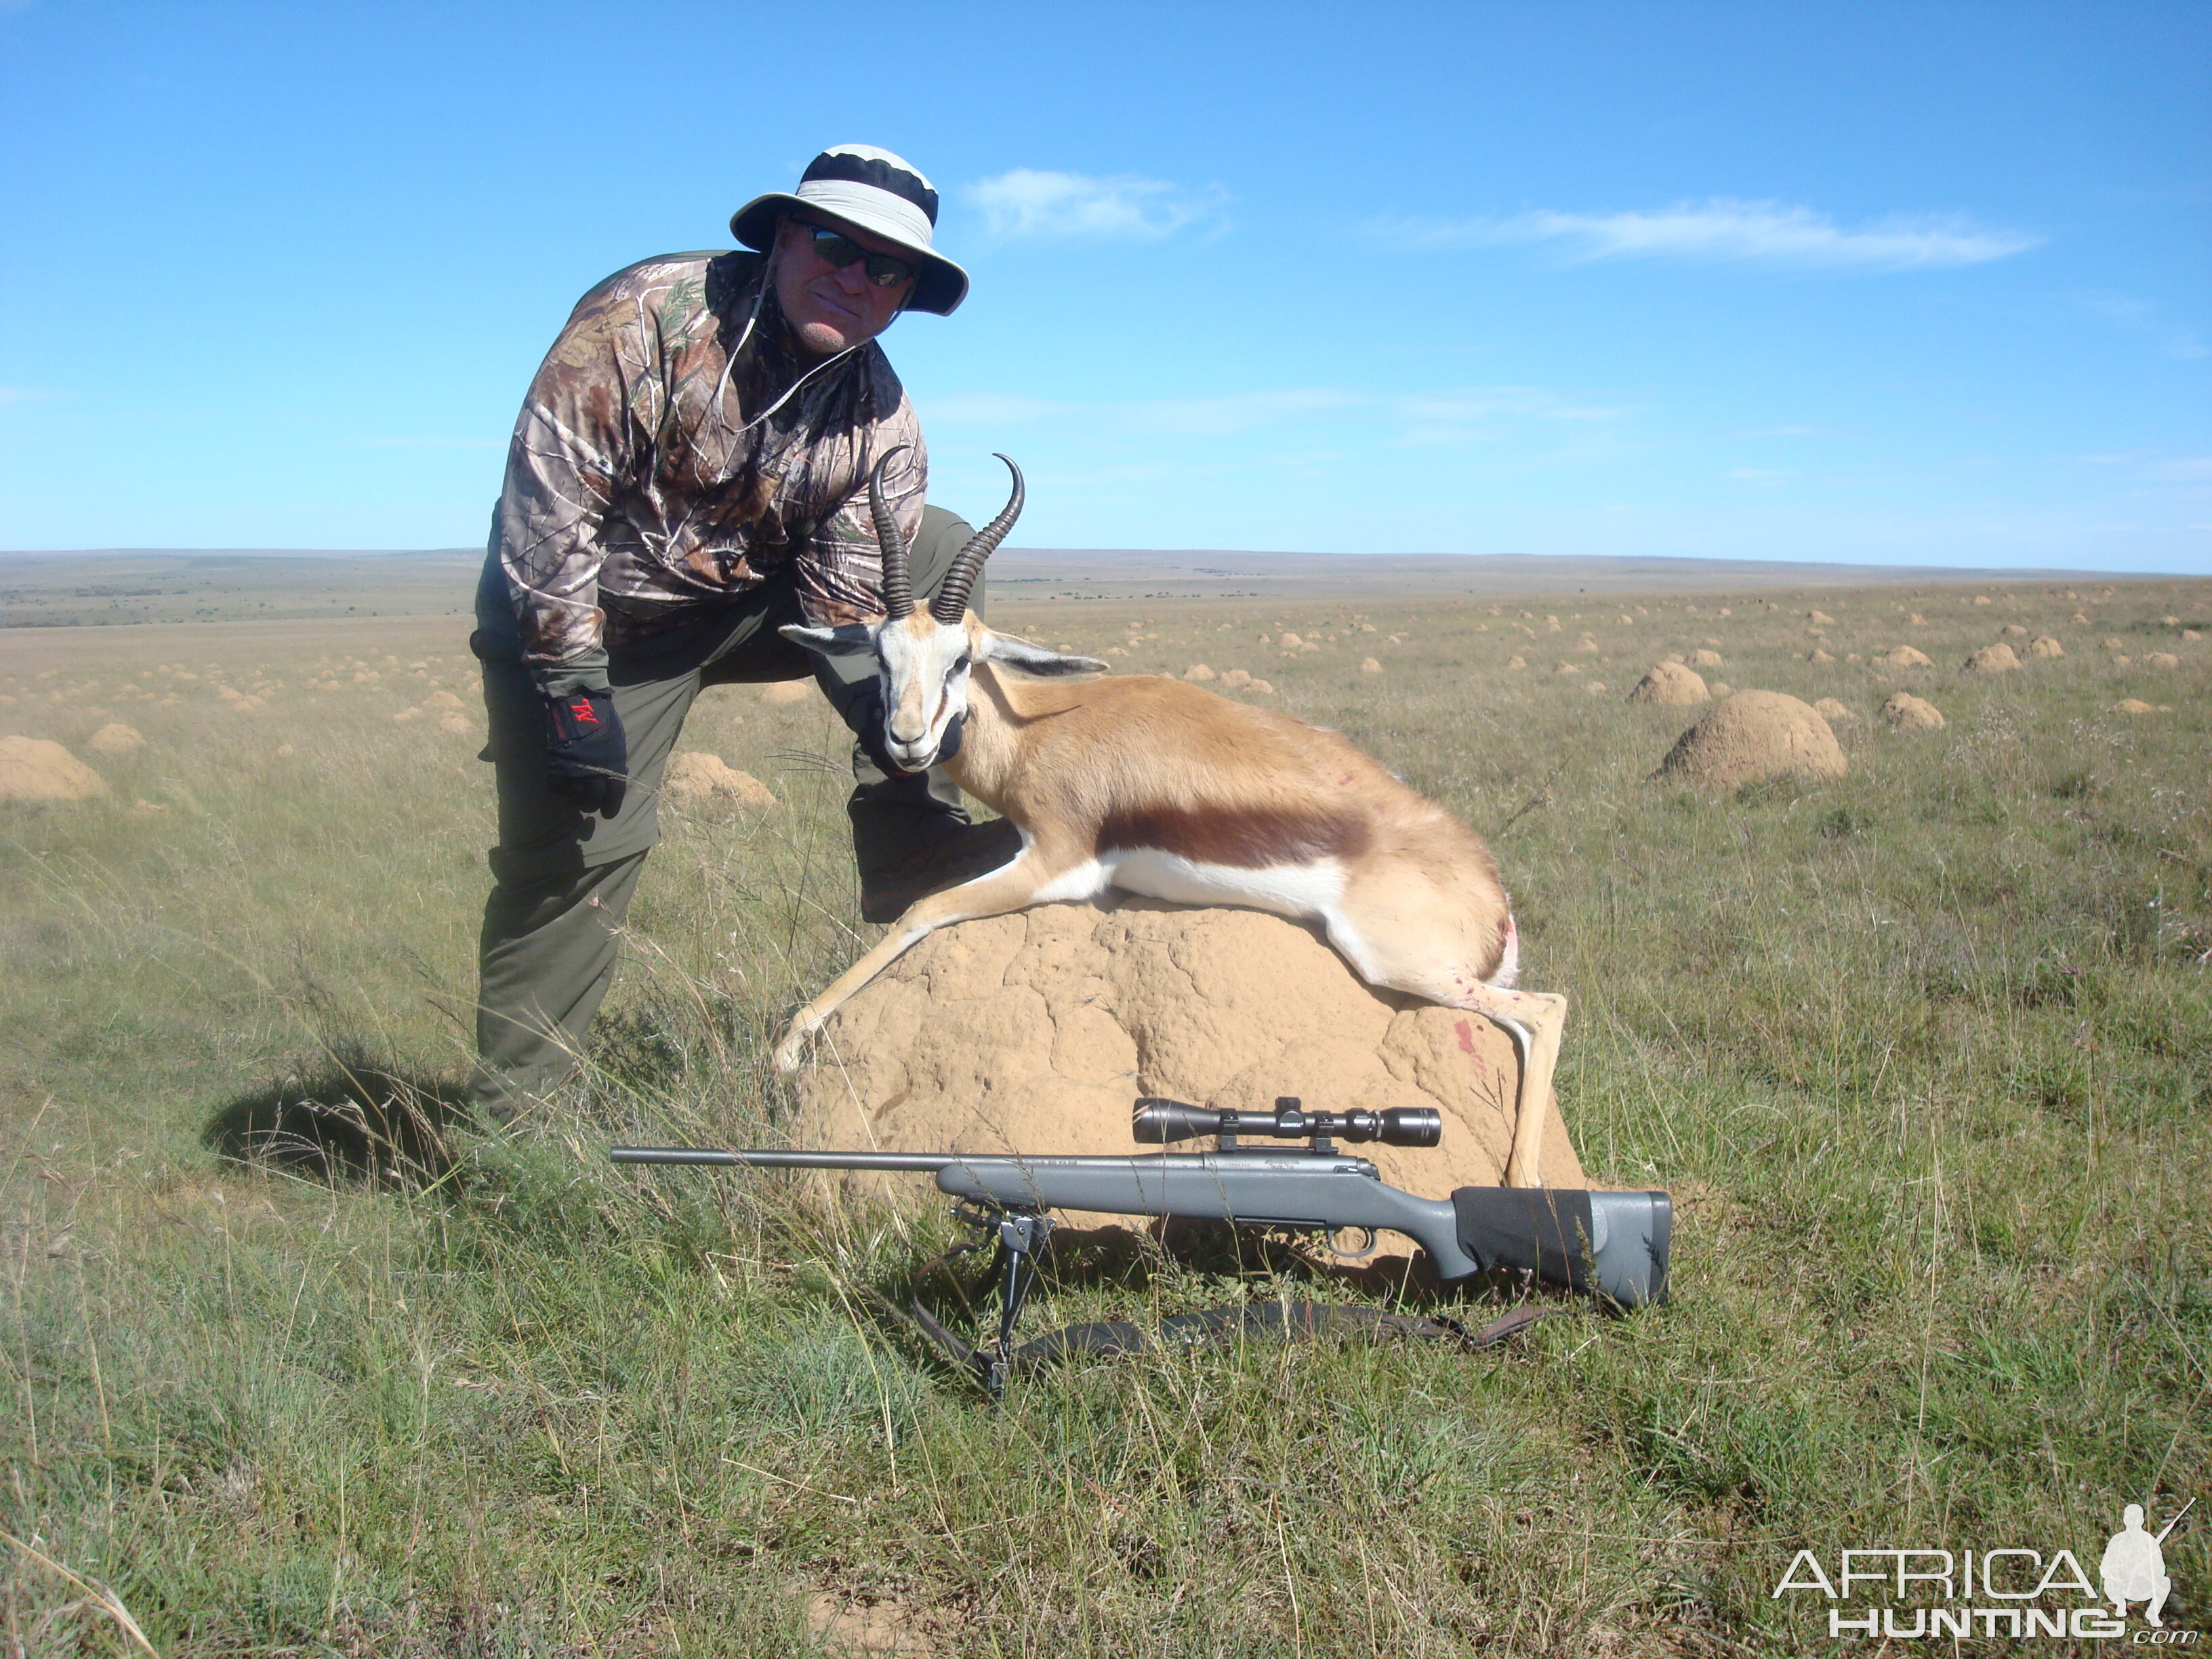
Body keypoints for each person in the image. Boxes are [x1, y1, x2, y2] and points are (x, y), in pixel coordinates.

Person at [467, 144, 1019, 1118]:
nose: (853, 277)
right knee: (580, 859)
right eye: (834, 244)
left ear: (903, 297)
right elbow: (548, 512)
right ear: (781, 237)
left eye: (883, 268)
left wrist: (893, 723)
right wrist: (573, 689)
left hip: (743, 608)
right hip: (586, 619)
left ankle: (910, 839)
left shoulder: (881, 419)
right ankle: (517, 1131)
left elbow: (850, 604)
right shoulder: (643, 323)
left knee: (931, 553)